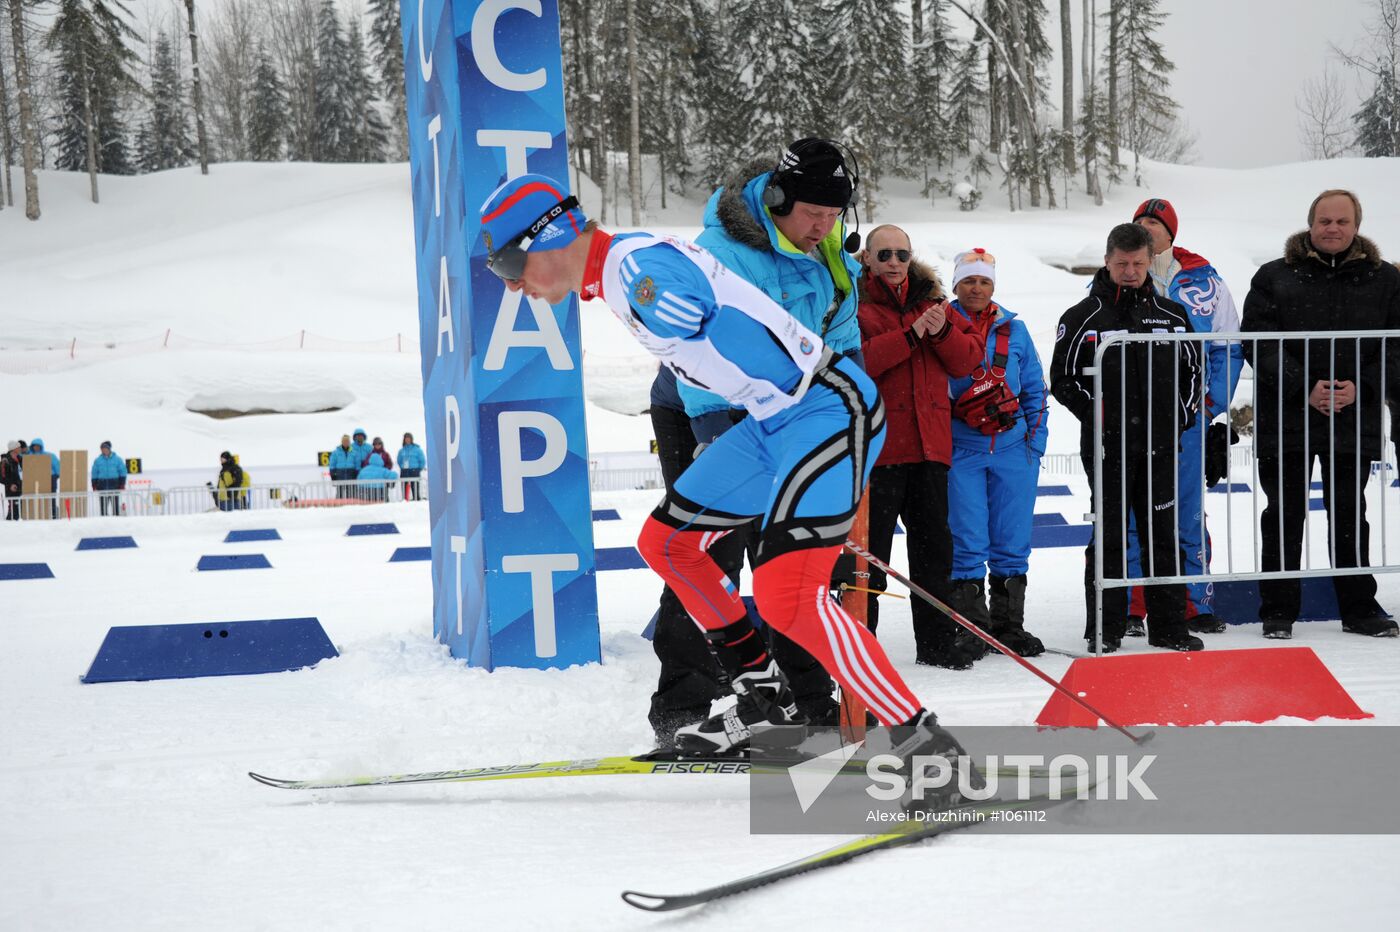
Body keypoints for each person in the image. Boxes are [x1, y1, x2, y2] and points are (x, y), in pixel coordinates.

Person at [478, 172, 971, 768]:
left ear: (548, 237)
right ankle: (763, 694)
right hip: (773, 422)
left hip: (826, 410)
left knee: (789, 595)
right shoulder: (619, 274)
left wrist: (689, 318)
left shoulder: (636, 270)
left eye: (509, 267)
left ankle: (925, 744)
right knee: (668, 543)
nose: (513, 287)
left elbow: (698, 310)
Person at [669, 137, 872, 725]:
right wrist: (719, 426)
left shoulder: (829, 249)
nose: (824, 227)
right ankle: (684, 702)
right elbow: (696, 351)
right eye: (813, 214)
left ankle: (809, 702)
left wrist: (843, 419)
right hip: (715, 407)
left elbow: (843, 338)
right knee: (703, 550)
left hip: (794, 414)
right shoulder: (723, 252)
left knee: (793, 560)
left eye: (835, 216)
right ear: (778, 199)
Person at [1242, 189, 1400, 639]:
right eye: (1325, 221)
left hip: (1354, 419)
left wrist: (1363, 387)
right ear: (1310, 224)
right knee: (1284, 513)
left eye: (1342, 222)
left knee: (1350, 513)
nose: (1333, 229)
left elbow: (1398, 345)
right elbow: (1258, 340)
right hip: (1288, 417)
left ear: (1357, 226)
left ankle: (1359, 609)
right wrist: (1302, 386)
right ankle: (1277, 609)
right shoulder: (1275, 276)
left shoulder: (1384, 279)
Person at [1049, 223, 1204, 653]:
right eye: (1122, 264)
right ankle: (1105, 627)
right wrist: (1099, 418)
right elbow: (1061, 380)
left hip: (1160, 446)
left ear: (1150, 260)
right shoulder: (1082, 316)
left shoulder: (1172, 314)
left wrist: (1182, 417)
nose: (1131, 271)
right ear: (1107, 261)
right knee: (1112, 535)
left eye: (1138, 263)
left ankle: (1170, 626)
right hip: (1106, 448)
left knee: (1162, 534)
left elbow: (1194, 370)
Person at [856, 226, 984, 668]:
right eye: (885, 254)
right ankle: (860, 648)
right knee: (868, 561)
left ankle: (936, 646)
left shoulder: (936, 304)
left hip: (930, 451)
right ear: (868, 259)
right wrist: (912, 336)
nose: (894, 262)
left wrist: (942, 330)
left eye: (902, 254)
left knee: (933, 555)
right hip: (879, 454)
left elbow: (969, 359)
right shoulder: (853, 305)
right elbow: (860, 363)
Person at [1122, 199, 1245, 637]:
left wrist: (1207, 405)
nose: (1146, 228)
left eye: (1154, 223)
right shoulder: (1121, 277)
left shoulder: (1206, 282)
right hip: (1134, 425)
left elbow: (1227, 347)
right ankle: (1133, 606)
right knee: (1133, 514)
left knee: (1188, 514)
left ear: (1171, 234)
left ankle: (1194, 603)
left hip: (1187, 422)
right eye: (1139, 222)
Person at [944, 248, 1049, 657]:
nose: (977, 287)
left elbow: (1036, 390)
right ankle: (973, 629)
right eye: (968, 280)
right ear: (956, 284)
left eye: (984, 281)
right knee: (968, 538)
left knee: (1012, 539)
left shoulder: (1015, 331)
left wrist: (1033, 446)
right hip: (962, 450)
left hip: (1013, 450)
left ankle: (1009, 627)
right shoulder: (942, 324)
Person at [90, 441, 128, 517]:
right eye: (102, 449)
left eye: (105, 448)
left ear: (109, 449)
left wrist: (122, 484)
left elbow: (123, 471)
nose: (103, 450)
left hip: (114, 485)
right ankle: (104, 522)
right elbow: (94, 473)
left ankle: (116, 520)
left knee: (115, 506)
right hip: (102, 486)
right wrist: (94, 484)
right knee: (103, 507)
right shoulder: (98, 460)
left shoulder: (118, 459)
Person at [28, 438, 59, 517]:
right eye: (35, 446)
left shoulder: (49, 455)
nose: (36, 448)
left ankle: (53, 514)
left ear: (41, 446)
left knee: (51, 498)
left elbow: (58, 466)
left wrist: (56, 475)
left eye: (38, 446)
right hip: (35, 480)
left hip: (51, 478)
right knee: (37, 497)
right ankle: (38, 514)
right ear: (32, 447)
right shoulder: (29, 457)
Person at [397, 433, 426, 501]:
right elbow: (399, 460)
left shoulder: (417, 449)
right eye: (406, 438)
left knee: (415, 487)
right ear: (404, 440)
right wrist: (402, 467)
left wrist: (419, 469)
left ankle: (416, 499)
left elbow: (422, 460)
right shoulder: (402, 450)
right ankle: (405, 500)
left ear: (411, 439)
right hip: (404, 470)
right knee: (404, 486)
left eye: (408, 438)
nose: (407, 440)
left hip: (414, 470)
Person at [1, 441, 21, 520]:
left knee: (17, 509)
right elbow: (2, 477)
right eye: (18, 447)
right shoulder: (5, 460)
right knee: (13, 511)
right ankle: (8, 525)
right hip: (10, 490)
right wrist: (10, 485)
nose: (20, 448)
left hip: (18, 488)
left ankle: (15, 527)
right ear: (13, 449)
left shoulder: (19, 458)